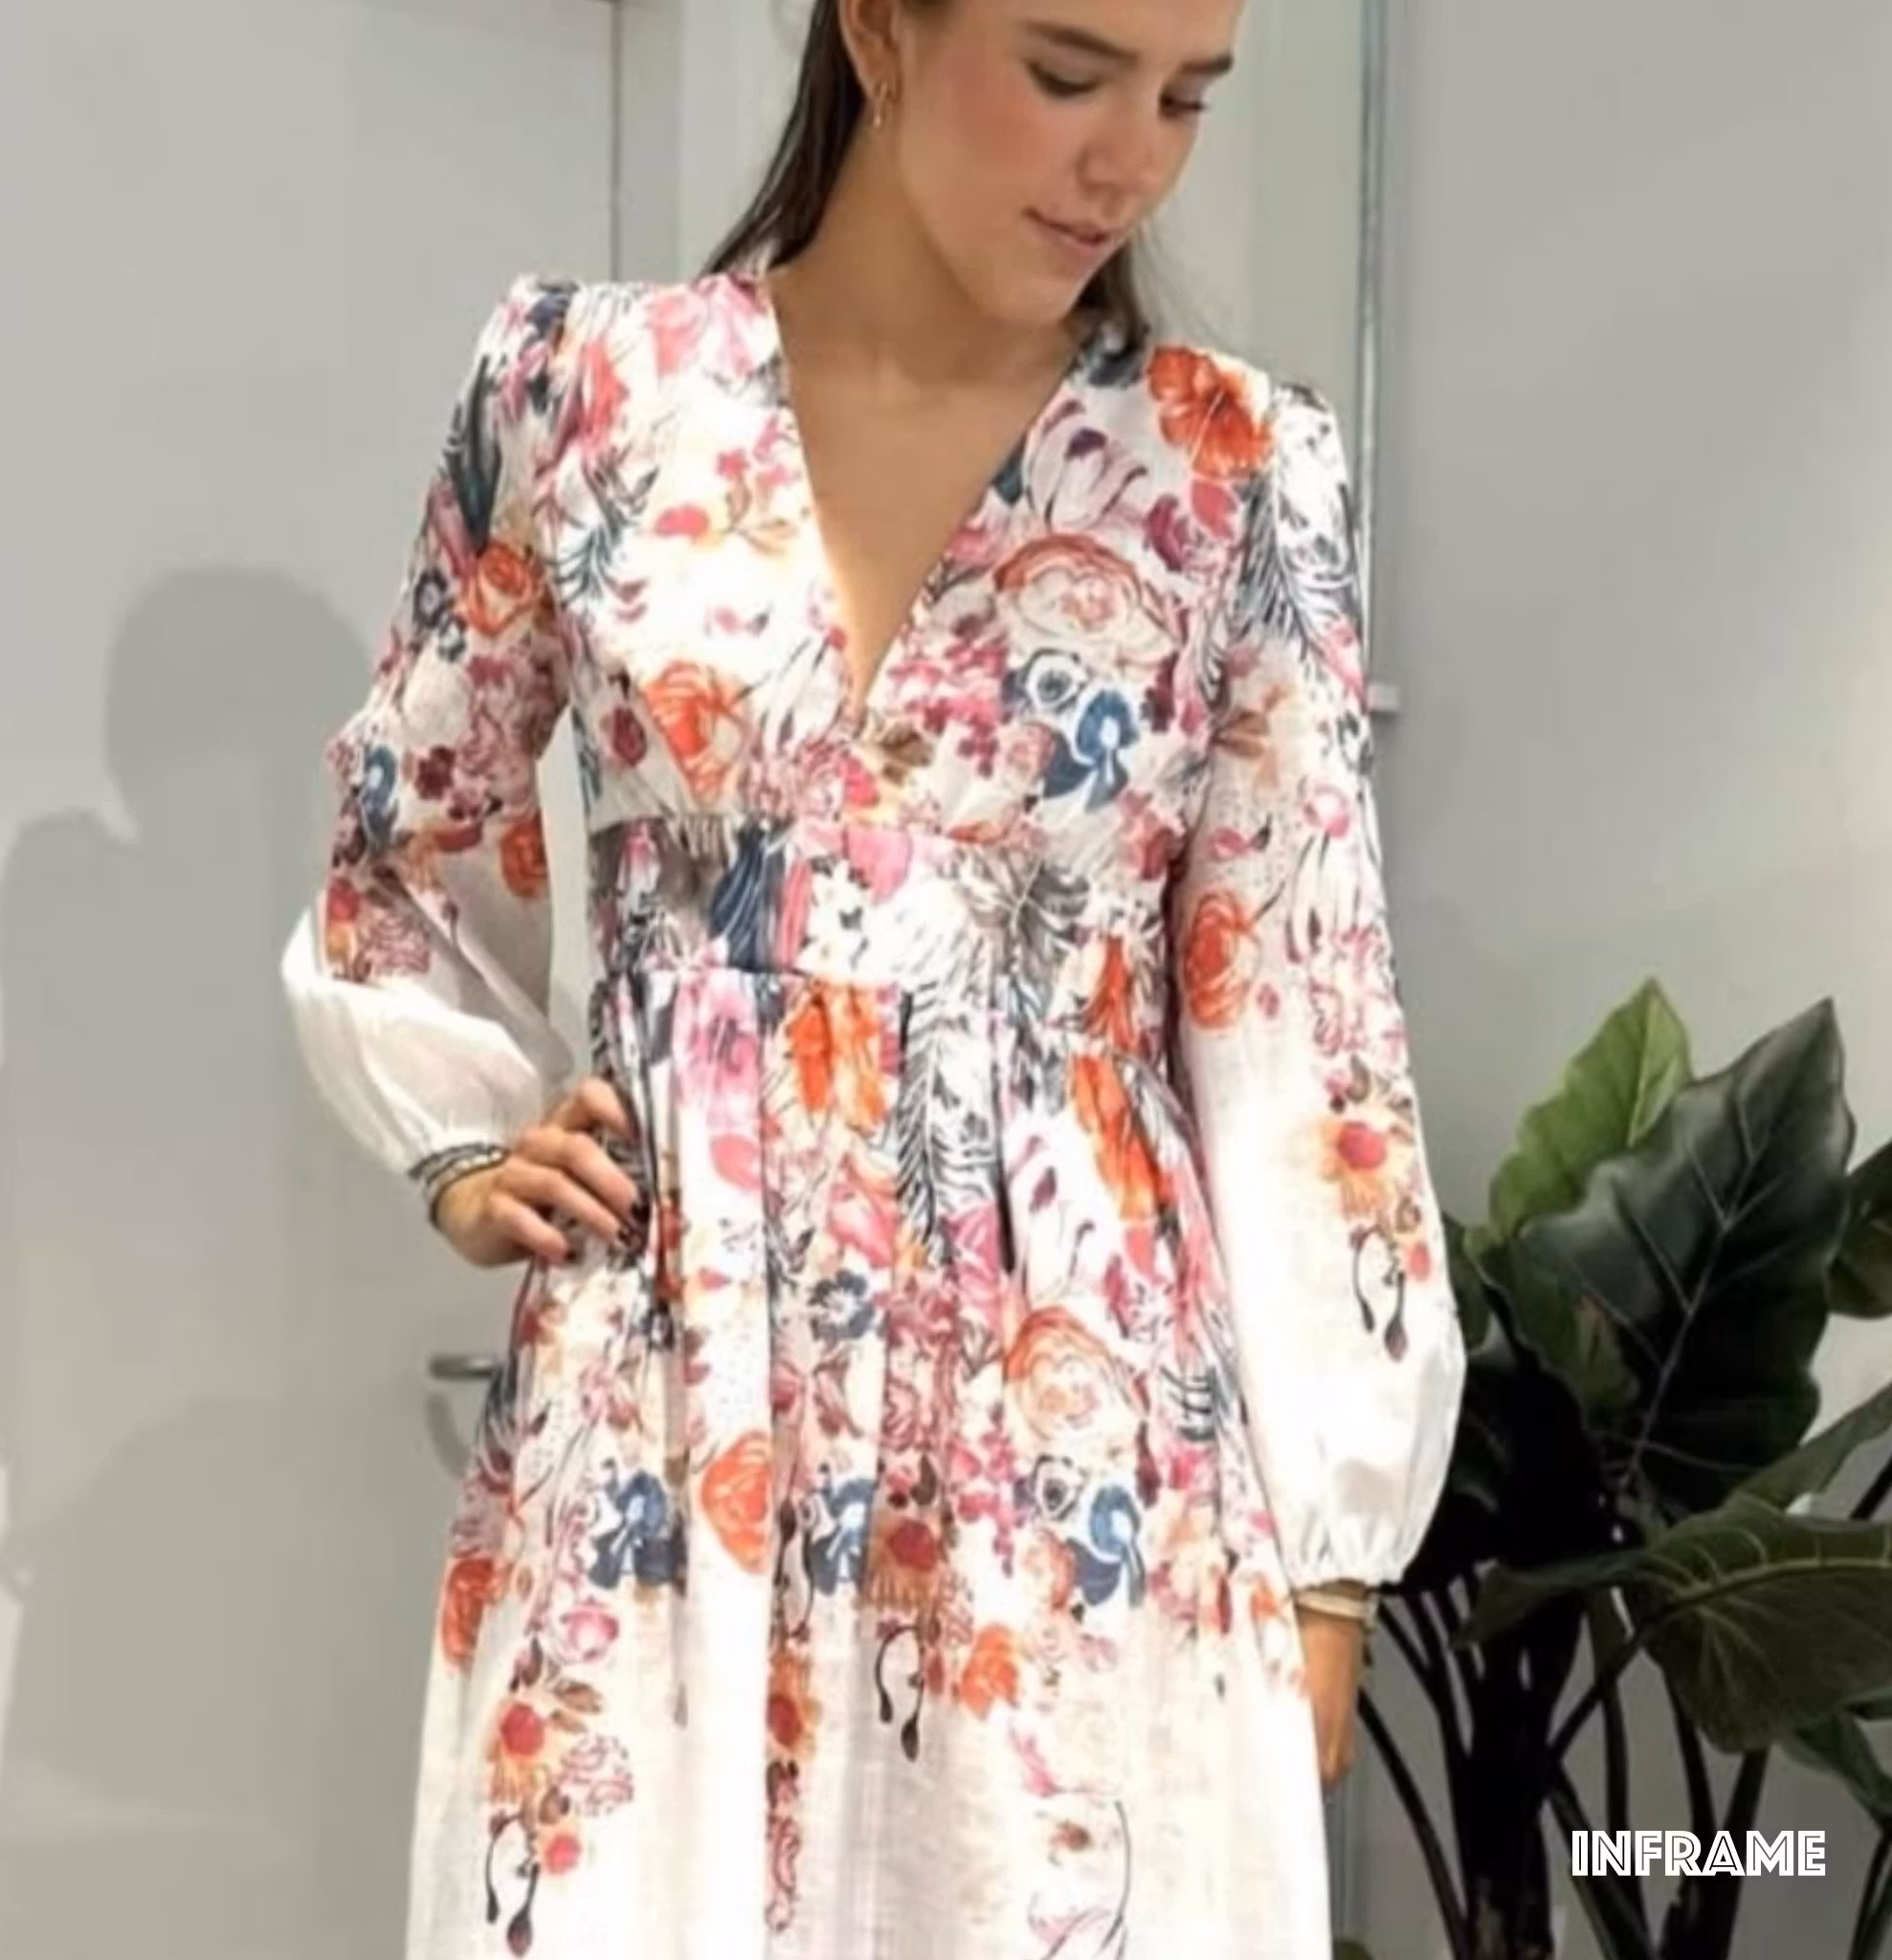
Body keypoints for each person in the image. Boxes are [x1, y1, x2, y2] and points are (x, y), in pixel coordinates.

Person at [280, 0, 1467, 1950]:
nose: (1132, 160)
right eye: (1070, 73)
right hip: (663, 1418)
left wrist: (1334, 1550)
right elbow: (413, 827)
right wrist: (466, 1129)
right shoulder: (582, 391)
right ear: (880, 28)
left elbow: (1306, 1005)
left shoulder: (1237, 470)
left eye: (1186, 95)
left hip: (1072, 1461)